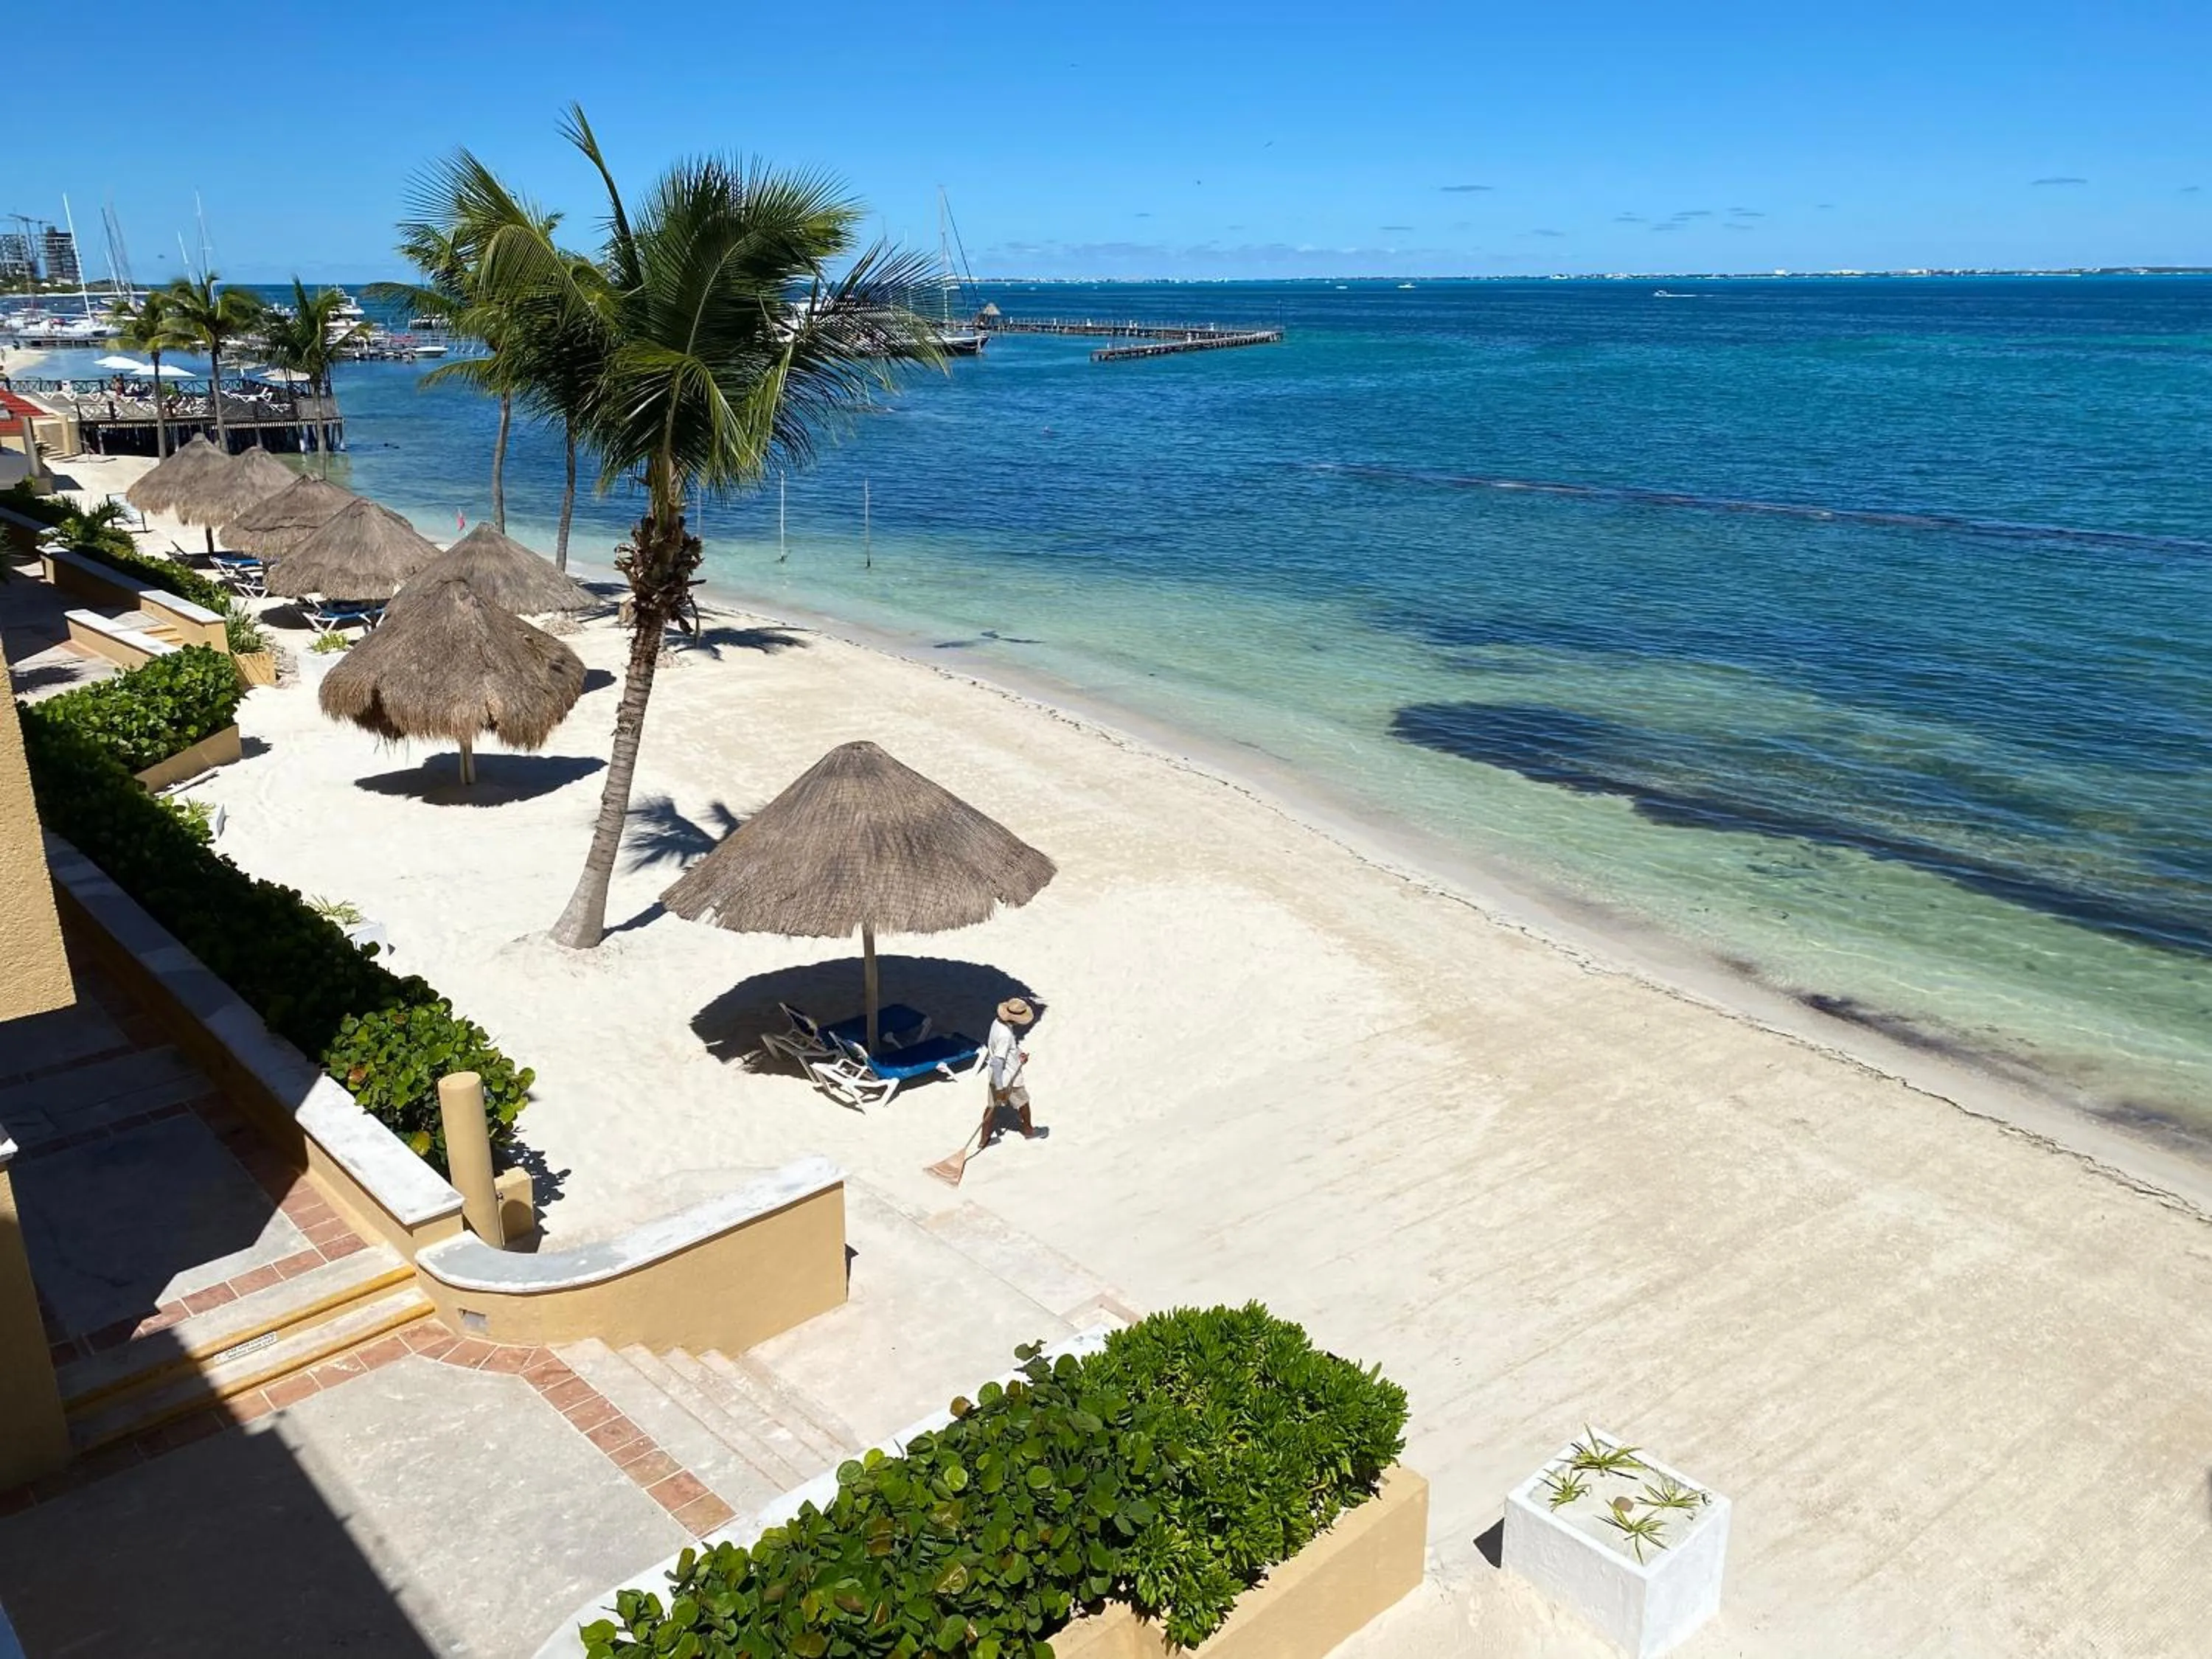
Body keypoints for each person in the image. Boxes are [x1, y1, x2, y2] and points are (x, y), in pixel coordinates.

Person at [981, 996, 1037, 1145]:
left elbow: (1007, 1050)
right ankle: (1028, 1130)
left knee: (991, 1106)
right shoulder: (1005, 1035)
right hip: (1009, 1077)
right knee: (1024, 1102)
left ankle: (984, 1139)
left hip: (995, 1076)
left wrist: (1019, 1054)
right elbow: (998, 1062)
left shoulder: (997, 1023)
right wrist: (1001, 1088)